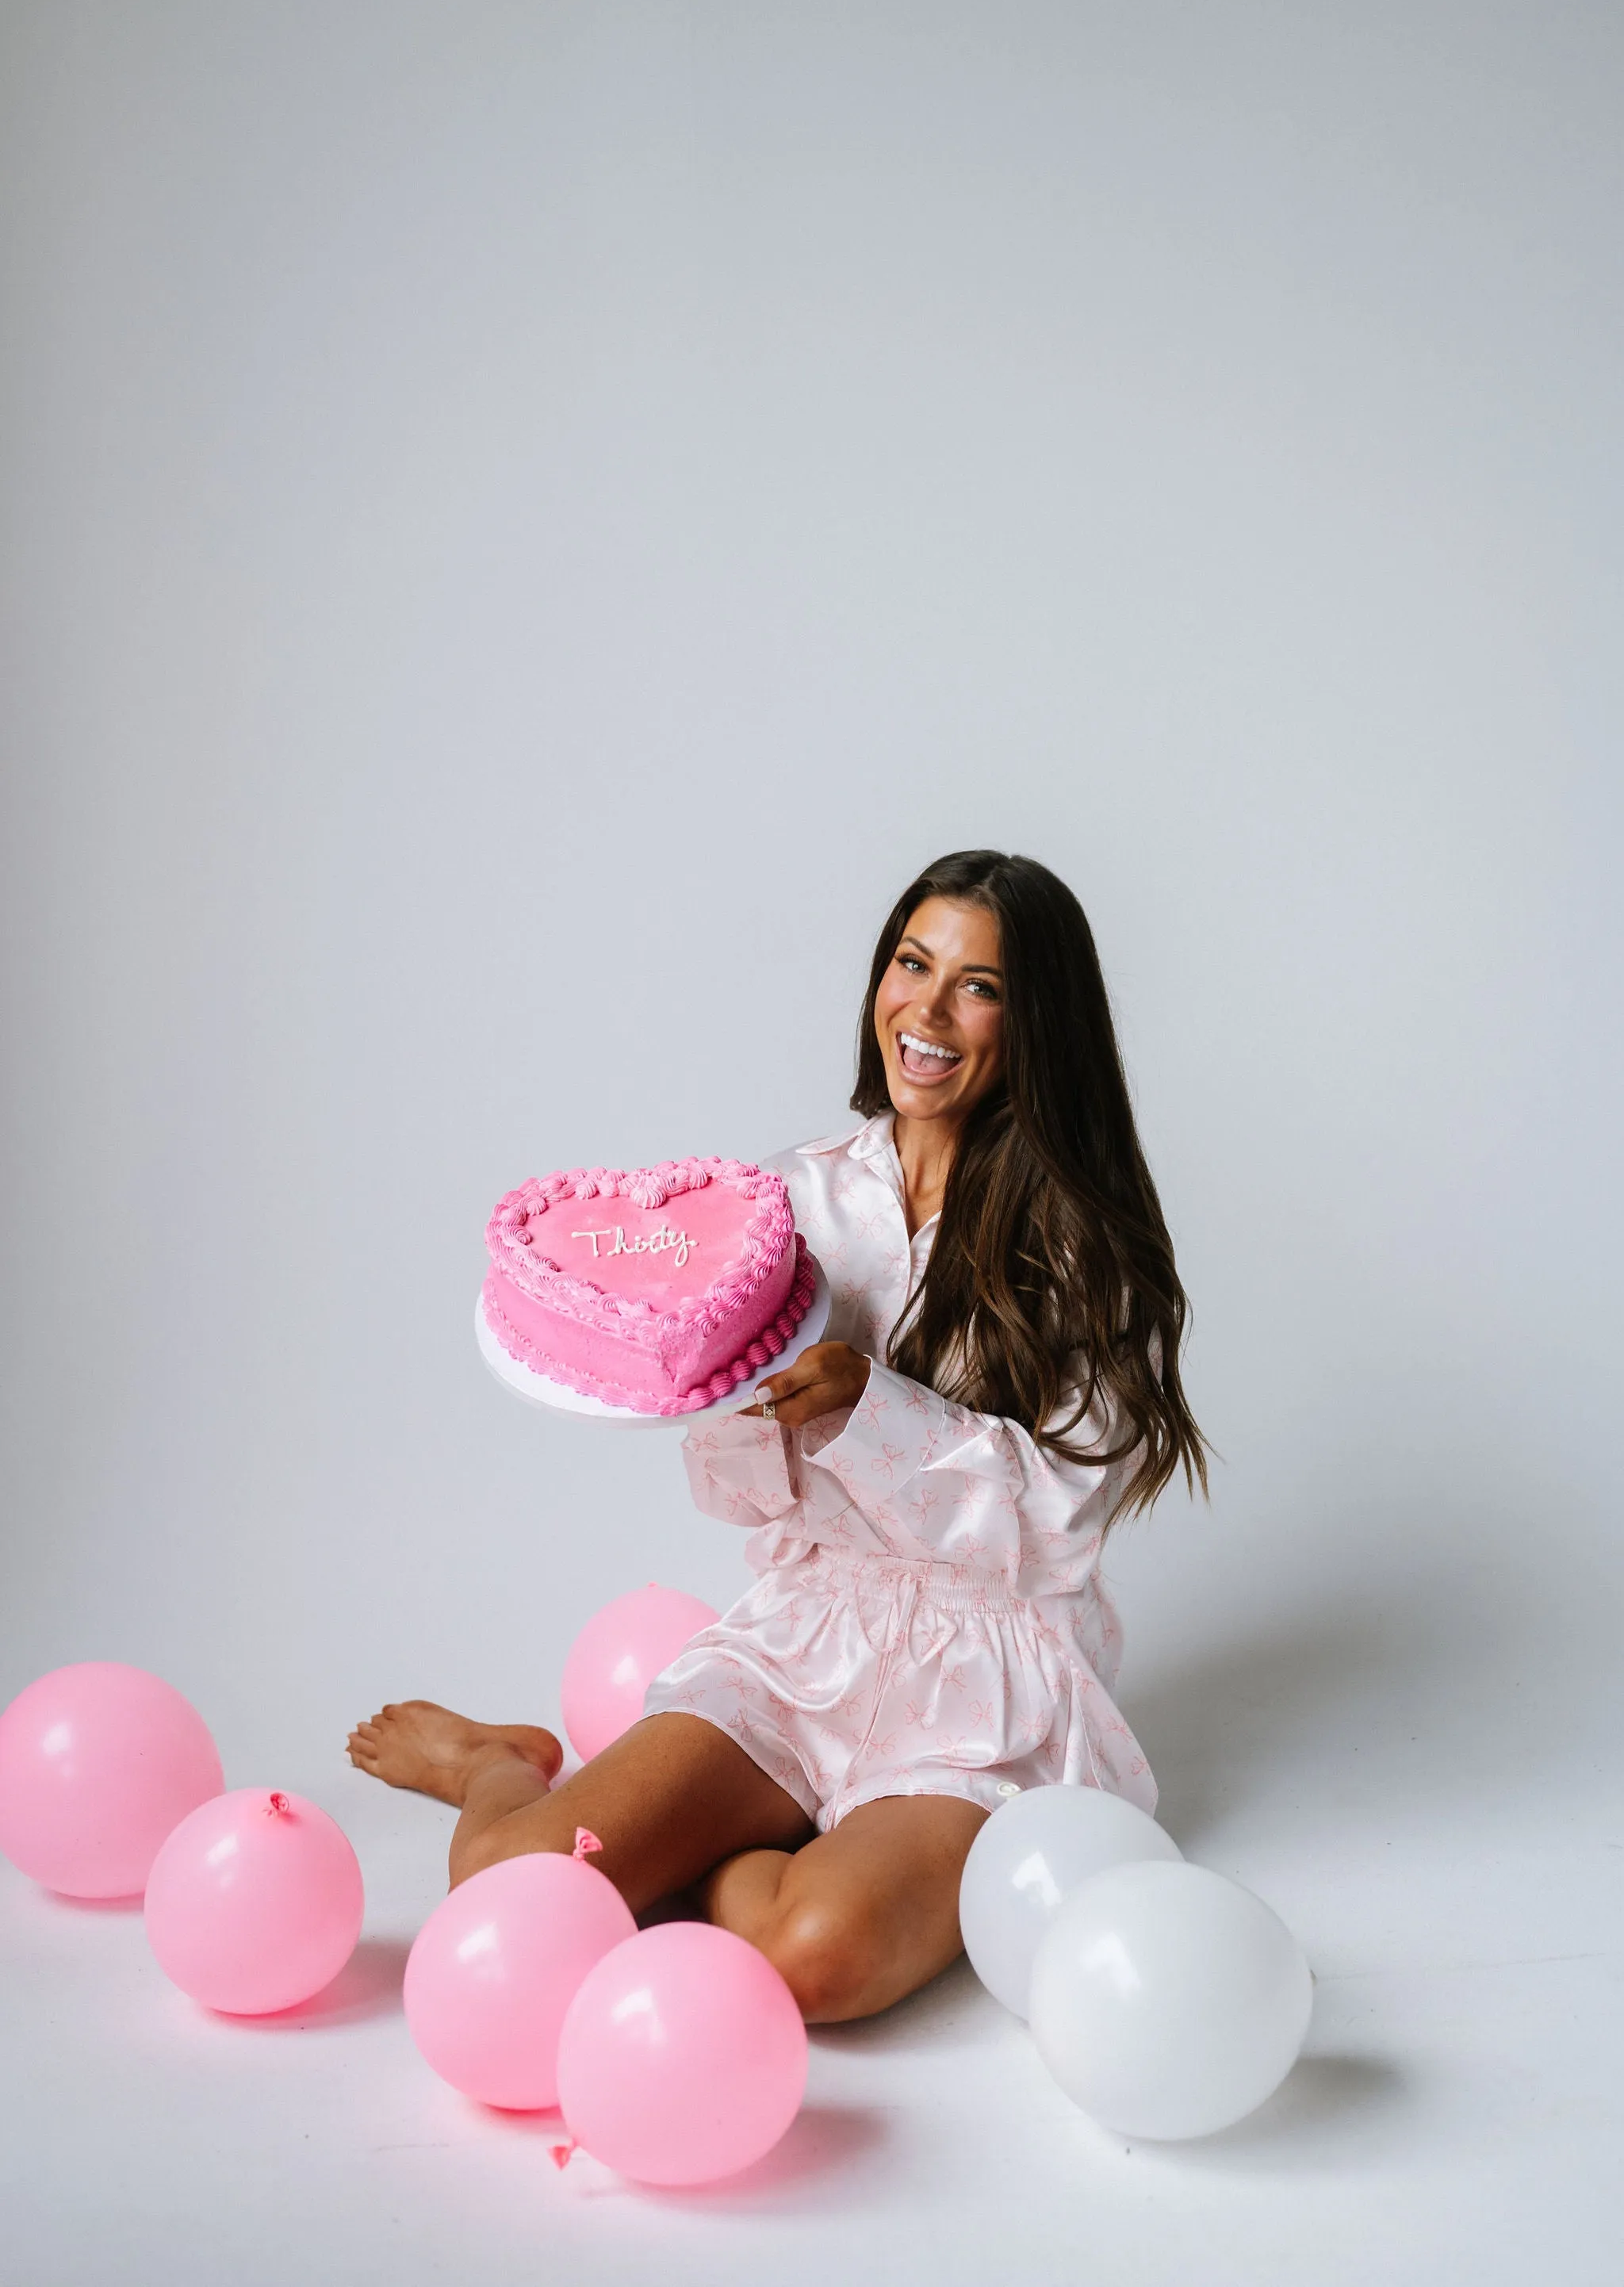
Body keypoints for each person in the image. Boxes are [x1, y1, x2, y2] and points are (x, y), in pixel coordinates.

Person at [347, 849, 1208, 2024]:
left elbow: (1053, 1528)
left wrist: (870, 1406)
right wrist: (722, 1397)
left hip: (983, 1683)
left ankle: (745, 1846)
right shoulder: (787, 1201)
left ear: (1039, 1018)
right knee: (513, 1880)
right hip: (809, 1640)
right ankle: (495, 1763)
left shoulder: (1087, 1247)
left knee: (813, 1958)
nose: (929, 1007)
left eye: (980, 985)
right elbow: (751, 1497)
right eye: (913, 963)